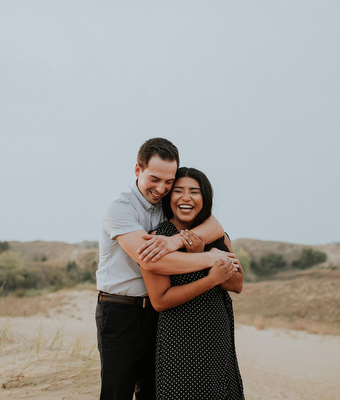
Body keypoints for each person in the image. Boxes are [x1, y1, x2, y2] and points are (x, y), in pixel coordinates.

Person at [95, 138, 237, 400]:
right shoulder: (119, 207)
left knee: (155, 392)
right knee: (118, 392)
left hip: (162, 317)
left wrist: (175, 240)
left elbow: (214, 224)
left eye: (168, 181)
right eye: (154, 179)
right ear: (138, 170)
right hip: (121, 310)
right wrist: (211, 260)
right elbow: (152, 261)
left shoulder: (165, 202)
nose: (161, 188)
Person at [141, 167, 245, 400]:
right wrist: (210, 277)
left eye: (194, 192)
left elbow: (237, 283)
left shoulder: (217, 236)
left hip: (216, 332)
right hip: (178, 338)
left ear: (204, 198)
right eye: (178, 191)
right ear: (169, 197)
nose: (186, 197)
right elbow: (160, 301)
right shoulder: (157, 238)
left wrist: (205, 256)